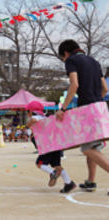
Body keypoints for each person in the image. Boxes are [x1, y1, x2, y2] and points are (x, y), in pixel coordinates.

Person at [57, 40, 109, 192]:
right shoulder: (94, 61)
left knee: (86, 149)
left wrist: (63, 108)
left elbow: (74, 84)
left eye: (63, 58)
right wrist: (96, 99)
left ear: (66, 53)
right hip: (100, 107)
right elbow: (105, 88)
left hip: (87, 109)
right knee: (92, 146)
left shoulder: (72, 60)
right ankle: (91, 181)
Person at [26, 101, 76, 193]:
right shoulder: (45, 117)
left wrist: (28, 125)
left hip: (47, 146)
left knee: (40, 163)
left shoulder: (35, 117)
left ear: (31, 111)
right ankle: (69, 183)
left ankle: (53, 173)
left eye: (27, 111)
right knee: (57, 165)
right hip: (55, 145)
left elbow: (33, 120)